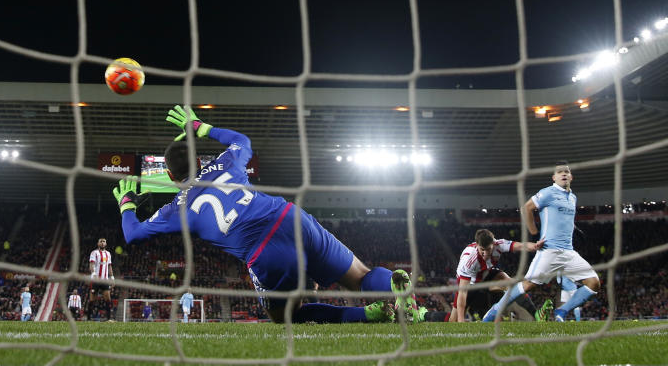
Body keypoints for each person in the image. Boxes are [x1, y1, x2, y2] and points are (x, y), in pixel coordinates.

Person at [110, 105, 409, 325]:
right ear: (200, 160)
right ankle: (405, 296)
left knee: (286, 319)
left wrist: (127, 203)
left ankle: (369, 316)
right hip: (290, 217)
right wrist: (202, 127)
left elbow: (133, 234)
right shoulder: (225, 163)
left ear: (170, 174)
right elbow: (242, 140)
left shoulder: (177, 208)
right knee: (362, 276)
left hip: (266, 251)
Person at [482, 161, 601, 322]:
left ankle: (562, 312)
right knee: (528, 285)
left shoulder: (573, 197)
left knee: (594, 283)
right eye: (560, 172)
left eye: (566, 172)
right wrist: (533, 232)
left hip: (569, 252)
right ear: (554, 177)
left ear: (571, 177)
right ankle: (494, 311)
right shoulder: (548, 193)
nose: (564, 174)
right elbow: (527, 208)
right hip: (550, 250)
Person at [452, 229, 549, 322]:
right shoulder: (469, 260)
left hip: (487, 275)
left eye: (488, 249)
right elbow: (463, 292)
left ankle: (536, 314)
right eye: (482, 250)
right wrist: (461, 321)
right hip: (470, 285)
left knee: (512, 284)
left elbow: (520, 246)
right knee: (454, 321)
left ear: (493, 244)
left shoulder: (499, 245)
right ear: (477, 245)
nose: (485, 254)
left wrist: (535, 246)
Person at [89, 237, 114, 319]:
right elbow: (91, 264)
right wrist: (93, 273)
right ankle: (88, 318)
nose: (102, 243)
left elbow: (109, 266)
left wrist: (112, 277)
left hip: (105, 280)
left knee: (108, 298)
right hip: (96, 279)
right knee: (92, 299)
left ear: (106, 244)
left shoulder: (108, 254)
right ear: (98, 243)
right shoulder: (94, 253)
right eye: (101, 241)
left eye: (104, 241)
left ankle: (109, 319)